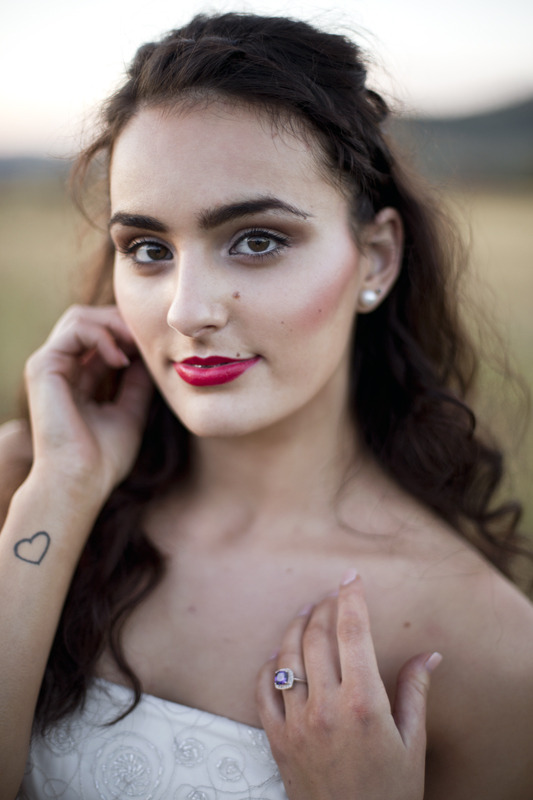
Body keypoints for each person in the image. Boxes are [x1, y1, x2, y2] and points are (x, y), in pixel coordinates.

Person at [1, 11, 533, 800]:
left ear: (375, 258)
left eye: (255, 239)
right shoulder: (31, 496)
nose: (186, 311)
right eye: (148, 249)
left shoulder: (485, 646)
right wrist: (58, 493)